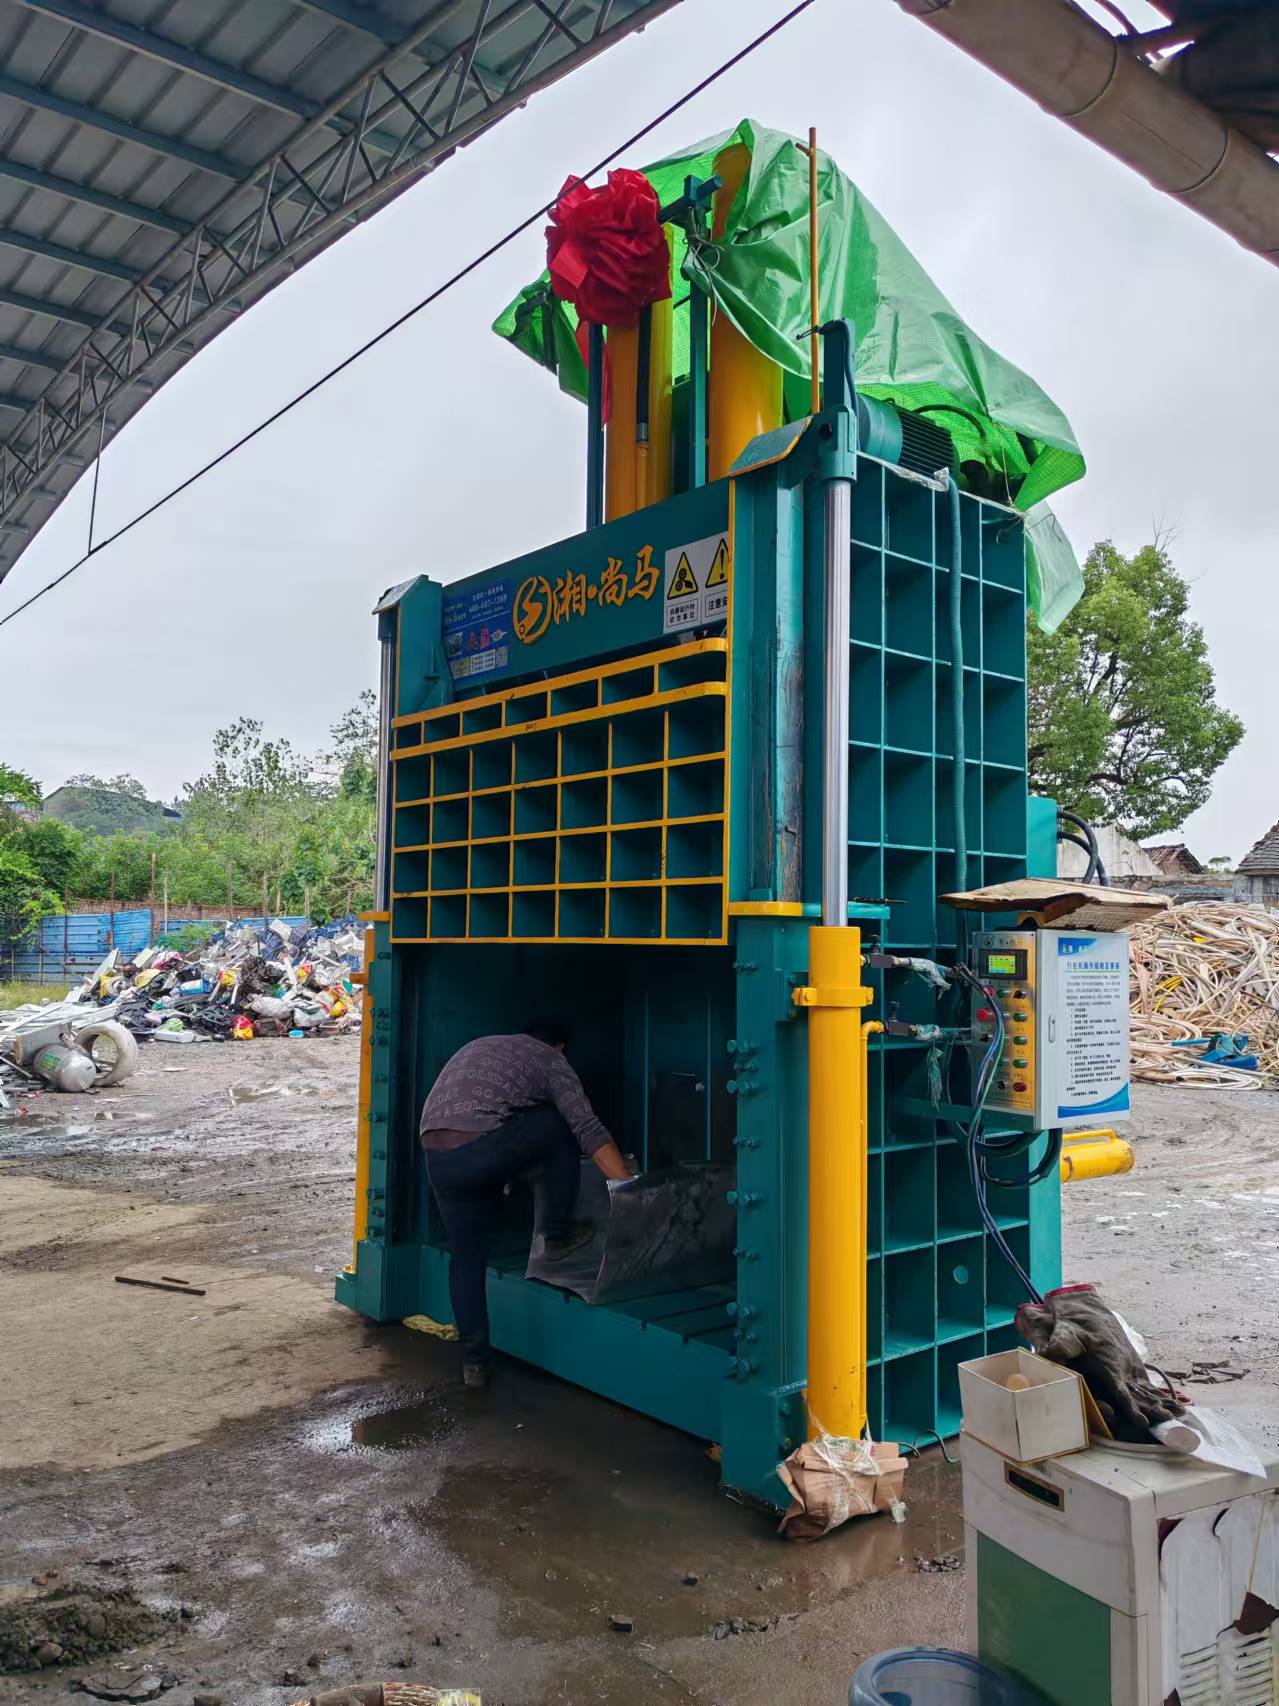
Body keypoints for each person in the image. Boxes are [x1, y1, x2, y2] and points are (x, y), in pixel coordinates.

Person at [419, 1017, 633, 1388]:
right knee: (558, 1126)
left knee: (466, 1259)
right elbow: (587, 1129)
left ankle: (474, 1363)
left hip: (436, 1153)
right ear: (560, 1048)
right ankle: (556, 1235)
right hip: (481, 1144)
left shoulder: (486, 1043)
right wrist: (630, 1190)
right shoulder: (551, 1060)